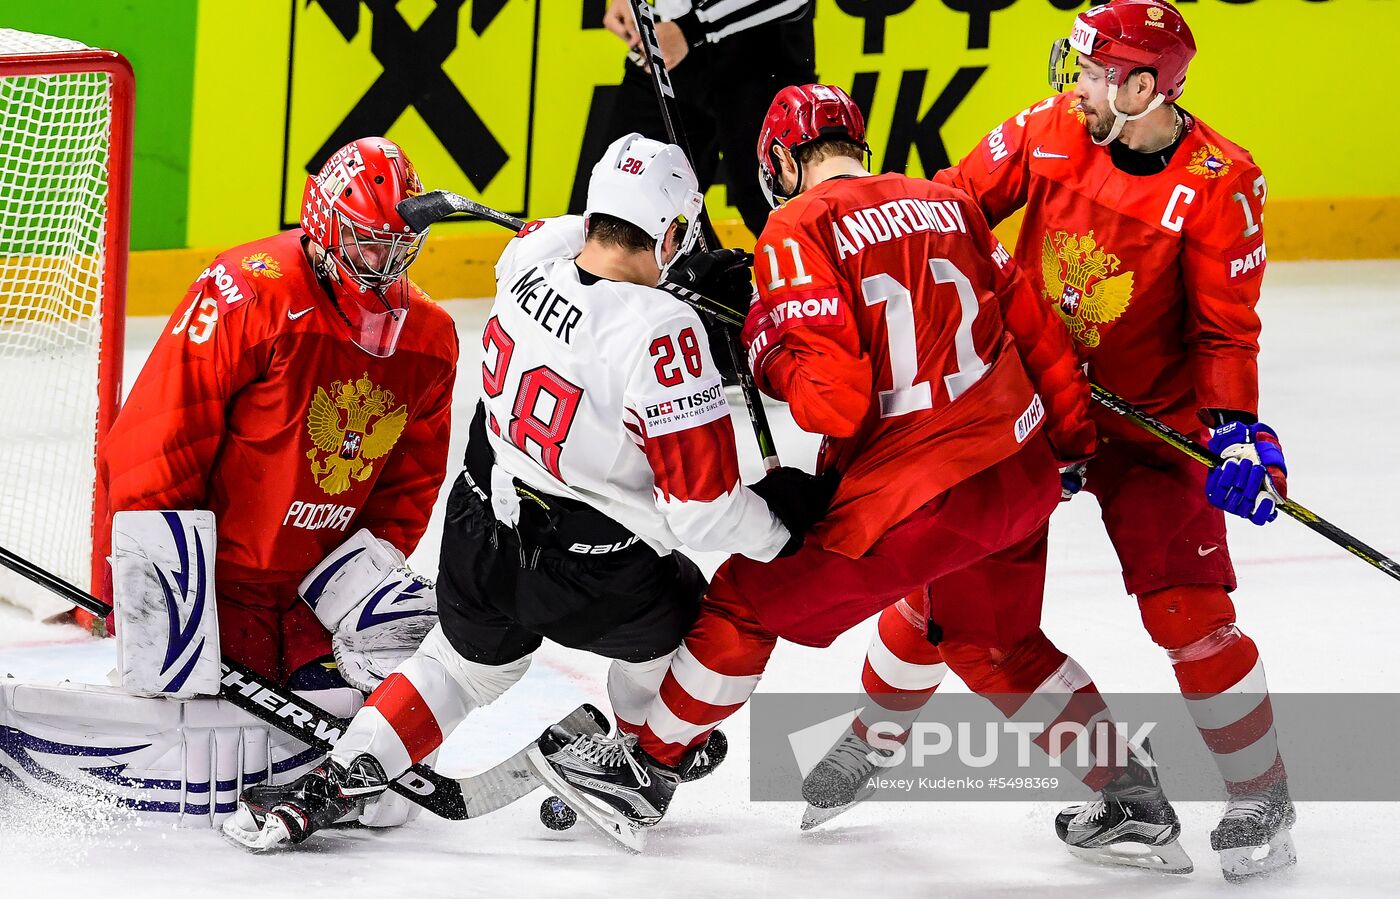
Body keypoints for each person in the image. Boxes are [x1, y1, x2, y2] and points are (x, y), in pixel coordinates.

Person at [533, 83, 1194, 872]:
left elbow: (835, 404)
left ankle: (646, 769)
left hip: (916, 493)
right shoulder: (944, 201)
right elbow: (1036, 329)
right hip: (1020, 471)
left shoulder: (795, 225)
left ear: (782, 160)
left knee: (745, 600)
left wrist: (764, 341)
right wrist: (1073, 446)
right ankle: (1133, 796)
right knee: (997, 641)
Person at [222, 133, 832, 850]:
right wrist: (783, 526)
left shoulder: (525, 261)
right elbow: (701, 511)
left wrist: (661, 259)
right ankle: (635, 757)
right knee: (690, 621)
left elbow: (566, 232)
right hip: (592, 577)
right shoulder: (667, 333)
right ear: (670, 232)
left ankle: (333, 781)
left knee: (455, 666)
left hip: (479, 532)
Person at [813, 0, 1295, 882]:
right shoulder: (1046, 130)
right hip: (1031, 410)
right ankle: (871, 738)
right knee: (942, 595)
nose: (1075, 86)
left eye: (1096, 71)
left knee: (1188, 613)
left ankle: (1261, 790)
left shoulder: (1222, 181)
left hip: (1156, 430)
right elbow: (943, 214)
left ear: (1144, 86)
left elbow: (1226, 331)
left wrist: (1236, 437)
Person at [101, 136, 457, 690]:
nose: (382, 265)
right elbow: (164, 435)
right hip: (213, 585)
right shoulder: (248, 291)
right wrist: (153, 584)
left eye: (398, 248)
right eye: (367, 244)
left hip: (317, 598)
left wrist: (352, 589)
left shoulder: (429, 338)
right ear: (323, 223)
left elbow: (409, 484)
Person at [599, 0, 816, 239]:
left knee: (776, 207)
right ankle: (708, 275)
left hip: (759, 46)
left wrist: (690, 28)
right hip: (669, 39)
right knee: (623, 205)